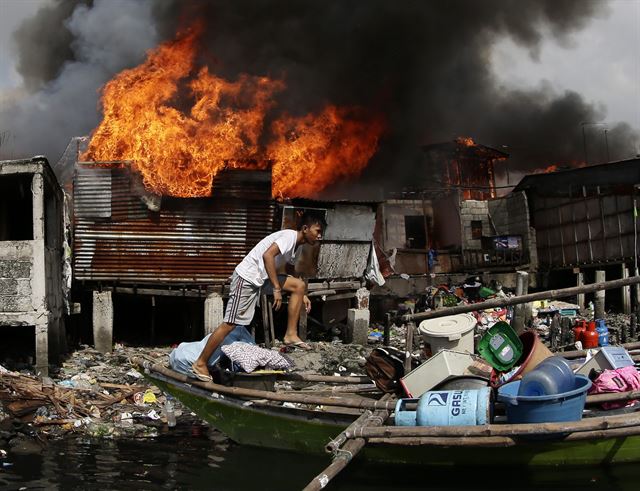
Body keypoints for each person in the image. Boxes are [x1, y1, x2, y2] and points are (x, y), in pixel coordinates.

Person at [190, 211, 326, 381]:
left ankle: (290, 334)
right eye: (317, 231)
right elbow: (267, 255)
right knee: (230, 324)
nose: (320, 236)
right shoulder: (289, 237)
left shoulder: (296, 245)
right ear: (305, 229)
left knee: (299, 286)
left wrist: (301, 294)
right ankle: (200, 363)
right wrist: (277, 288)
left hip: (261, 280)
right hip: (247, 278)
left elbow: (290, 270)